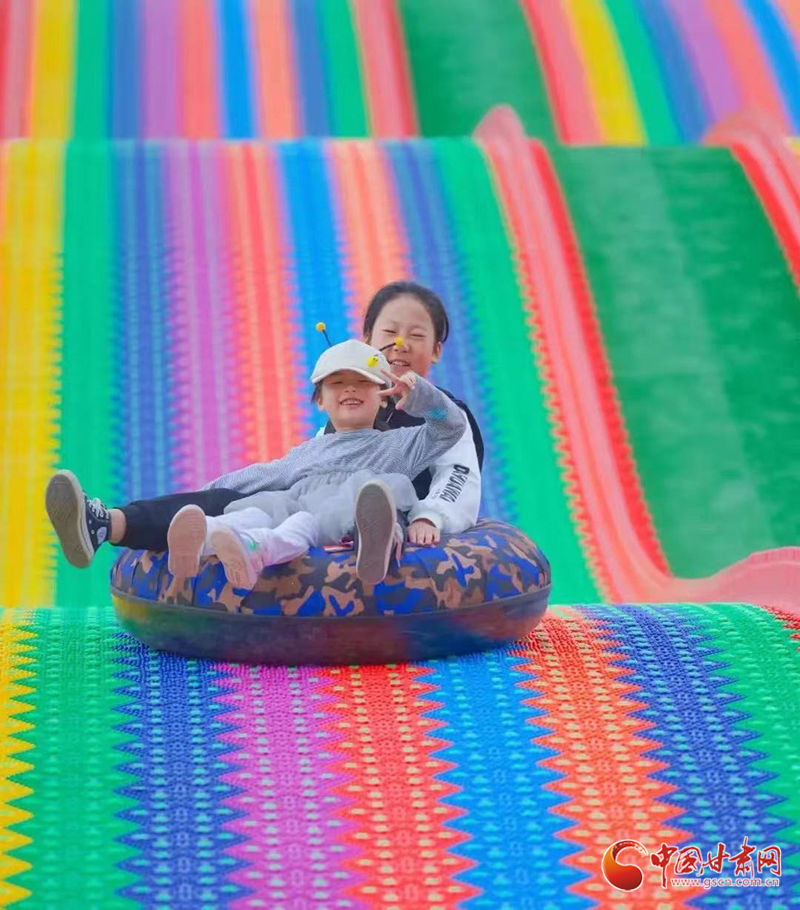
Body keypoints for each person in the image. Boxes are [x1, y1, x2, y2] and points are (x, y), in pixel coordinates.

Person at [44, 281, 482, 574]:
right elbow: (287, 473)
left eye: (416, 335)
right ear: (367, 339)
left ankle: (355, 541)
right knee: (239, 502)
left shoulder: (433, 422)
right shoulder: (335, 427)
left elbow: (455, 471)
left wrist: (430, 516)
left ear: (436, 349)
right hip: (311, 507)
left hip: (386, 517)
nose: (400, 343)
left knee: (348, 505)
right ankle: (110, 524)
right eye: (389, 331)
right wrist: (211, 494)